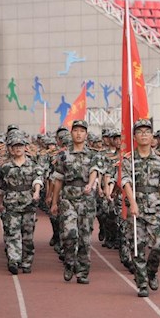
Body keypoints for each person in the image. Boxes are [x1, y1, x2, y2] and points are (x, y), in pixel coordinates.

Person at [121, 119, 160, 298]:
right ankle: (142, 283)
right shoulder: (129, 159)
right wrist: (132, 202)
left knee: (158, 246)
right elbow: (125, 181)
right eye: (139, 131)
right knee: (137, 247)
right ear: (134, 136)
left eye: (147, 131)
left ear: (152, 137)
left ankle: (151, 272)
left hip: (156, 209)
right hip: (137, 210)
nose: (143, 134)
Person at [50, 120, 103, 284]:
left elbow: (95, 171)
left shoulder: (93, 154)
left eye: (82, 131)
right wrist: (54, 202)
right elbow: (58, 179)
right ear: (71, 133)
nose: (79, 133)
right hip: (68, 199)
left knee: (85, 238)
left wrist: (90, 184)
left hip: (86, 199)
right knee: (69, 234)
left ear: (86, 135)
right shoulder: (63, 155)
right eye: (76, 130)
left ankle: (82, 271)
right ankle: (69, 262)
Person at [0, 131, 44, 275]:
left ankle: (27, 261)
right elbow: (2, 185)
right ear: (10, 148)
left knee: (28, 236)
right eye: (15, 146)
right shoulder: (6, 167)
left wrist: (36, 192)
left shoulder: (33, 165)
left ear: (25, 147)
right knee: (13, 233)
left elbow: (38, 180)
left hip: (29, 203)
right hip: (11, 203)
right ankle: (14, 260)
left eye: (20, 146)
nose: (18, 149)